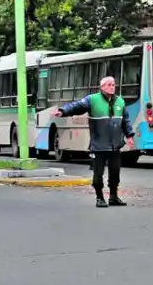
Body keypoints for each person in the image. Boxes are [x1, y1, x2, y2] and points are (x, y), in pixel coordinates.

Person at [54, 76, 134, 208]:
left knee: (115, 173)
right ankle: (100, 197)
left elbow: (125, 121)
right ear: (102, 87)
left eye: (113, 84)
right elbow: (77, 106)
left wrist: (129, 136)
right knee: (98, 174)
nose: (111, 87)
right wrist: (63, 111)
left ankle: (113, 197)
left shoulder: (120, 101)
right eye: (108, 84)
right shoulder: (93, 100)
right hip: (99, 145)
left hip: (115, 145)